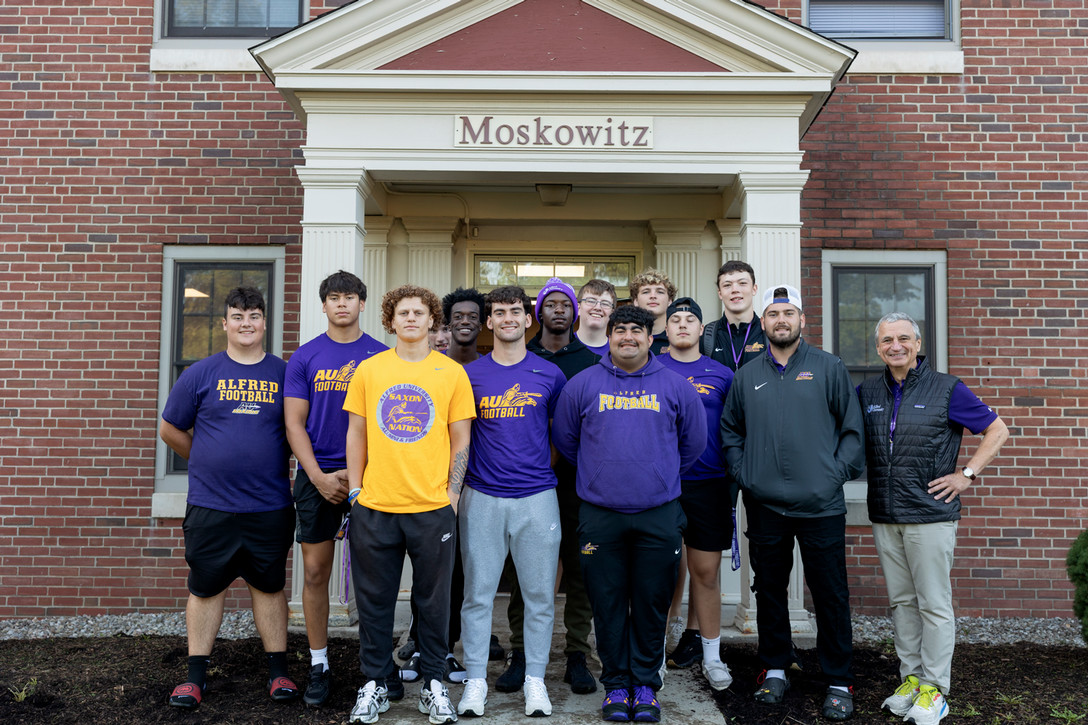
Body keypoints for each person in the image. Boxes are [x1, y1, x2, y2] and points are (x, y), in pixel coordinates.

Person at [553, 305, 706, 723]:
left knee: (652, 603)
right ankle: (617, 686)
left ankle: (645, 686)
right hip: (601, 515)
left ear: (649, 336)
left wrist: (658, 476)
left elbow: (692, 445)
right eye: (619, 330)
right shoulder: (582, 385)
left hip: (659, 514)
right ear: (609, 336)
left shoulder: (676, 387)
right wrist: (602, 473)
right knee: (608, 604)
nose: (627, 338)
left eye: (635, 331)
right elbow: (567, 442)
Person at [720, 284, 865, 721]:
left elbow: (852, 430)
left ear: (802, 320)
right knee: (769, 590)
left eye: (789, 312)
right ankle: (775, 667)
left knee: (830, 592)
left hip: (821, 505)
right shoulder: (747, 375)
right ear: (762, 323)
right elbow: (731, 432)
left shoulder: (828, 367)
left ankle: (838, 679)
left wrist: (833, 475)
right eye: (773, 314)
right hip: (765, 505)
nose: (781, 320)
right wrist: (746, 475)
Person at [857, 313, 1009, 725]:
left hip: (930, 515)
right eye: (887, 340)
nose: (896, 346)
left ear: (918, 344)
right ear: (878, 348)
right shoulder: (868, 390)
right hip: (886, 515)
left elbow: (997, 430)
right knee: (902, 603)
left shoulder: (948, 389)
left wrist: (967, 475)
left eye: (904, 338)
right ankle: (911, 679)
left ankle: (934, 690)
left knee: (934, 604)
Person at [159, 287, 298, 710]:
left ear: (264, 322)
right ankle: (194, 679)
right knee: (204, 589)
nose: (246, 323)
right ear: (224, 324)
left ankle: (278, 673)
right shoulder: (200, 373)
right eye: (237, 316)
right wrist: (203, 457)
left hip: (269, 504)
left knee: (270, 587)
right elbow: (170, 428)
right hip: (211, 506)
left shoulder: (284, 373)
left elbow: (299, 430)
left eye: (254, 315)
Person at [342, 284, 475, 725]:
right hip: (376, 505)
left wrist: (452, 496)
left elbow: (461, 440)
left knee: (433, 602)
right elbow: (357, 433)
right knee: (375, 600)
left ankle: (433, 684)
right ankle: (376, 682)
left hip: (432, 506)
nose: (412, 319)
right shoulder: (370, 370)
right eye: (404, 312)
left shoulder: (452, 374)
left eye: (420, 312)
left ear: (432, 320)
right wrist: (356, 492)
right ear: (391, 320)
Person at [457, 286, 567, 718]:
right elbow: (461, 440)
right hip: (482, 495)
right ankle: (475, 682)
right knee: (478, 595)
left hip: (538, 497)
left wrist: (537, 472)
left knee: (540, 596)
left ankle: (535, 681)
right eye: (498, 312)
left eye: (515, 311)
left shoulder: (549, 375)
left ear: (528, 320)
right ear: (489, 322)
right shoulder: (472, 376)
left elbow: (557, 437)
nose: (507, 318)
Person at [284, 270, 388, 706]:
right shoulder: (305, 357)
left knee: (375, 577)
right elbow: (294, 423)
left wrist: (357, 475)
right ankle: (319, 663)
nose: (341, 304)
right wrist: (319, 477)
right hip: (318, 476)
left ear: (363, 304)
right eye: (333, 297)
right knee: (314, 573)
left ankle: (378, 670)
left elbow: (387, 423)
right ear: (323, 305)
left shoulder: (382, 356)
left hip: (372, 476)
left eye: (349, 297)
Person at [504, 277, 598, 696]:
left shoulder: (591, 361)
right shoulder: (522, 356)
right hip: (527, 484)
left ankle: (576, 653)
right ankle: (520, 653)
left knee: (579, 571)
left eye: (566, 304)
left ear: (574, 312)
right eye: (551, 304)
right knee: (528, 572)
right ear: (537, 313)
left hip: (579, 485)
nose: (559, 310)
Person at [657, 297, 736, 691]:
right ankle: (654, 653)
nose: (683, 325)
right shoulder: (651, 369)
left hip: (709, 483)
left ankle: (712, 655)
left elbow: (736, 429)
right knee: (659, 573)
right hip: (660, 486)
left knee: (705, 572)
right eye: (676, 320)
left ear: (702, 329)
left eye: (691, 319)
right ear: (666, 330)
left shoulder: (722, 374)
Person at [701, 261, 767, 372]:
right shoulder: (706, 336)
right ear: (720, 293)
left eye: (742, 283)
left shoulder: (768, 333)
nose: (735, 290)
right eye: (727, 285)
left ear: (754, 289)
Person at [629, 268, 676, 356]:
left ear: (670, 300)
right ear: (636, 301)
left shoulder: (679, 337)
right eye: (646, 292)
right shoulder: (627, 338)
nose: (653, 296)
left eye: (660, 292)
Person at [442, 287, 485, 364]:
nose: (465, 321)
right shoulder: (433, 364)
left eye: (472, 317)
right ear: (449, 326)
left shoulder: (488, 366)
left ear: (480, 326)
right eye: (458, 317)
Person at [576, 278, 617, 357]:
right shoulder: (563, 346)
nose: (598, 308)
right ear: (578, 308)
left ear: (612, 313)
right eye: (591, 301)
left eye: (605, 303)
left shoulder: (619, 352)